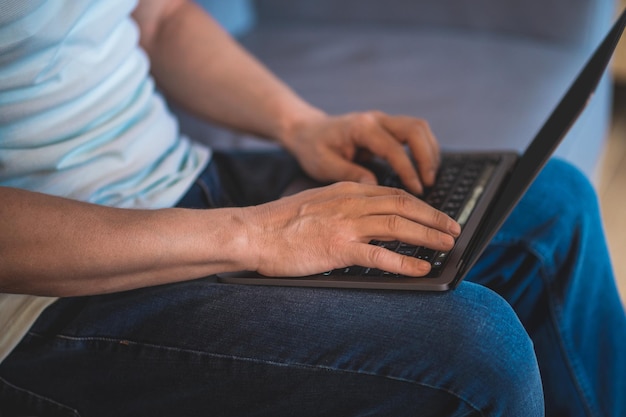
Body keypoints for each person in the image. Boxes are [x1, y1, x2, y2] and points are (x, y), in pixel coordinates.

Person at [0, 1, 624, 416]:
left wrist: (300, 124)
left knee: (552, 207)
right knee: (480, 350)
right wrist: (255, 233)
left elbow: (157, 16)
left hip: (180, 177)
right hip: (43, 294)